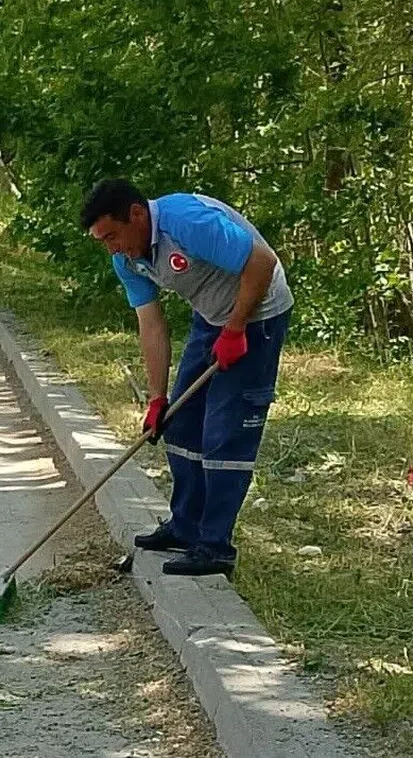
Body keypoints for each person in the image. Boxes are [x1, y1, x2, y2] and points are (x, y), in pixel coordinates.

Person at [80, 179, 293, 577]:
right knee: (180, 423)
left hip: (258, 314)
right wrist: (157, 398)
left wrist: (236, 329)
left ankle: (214, 547)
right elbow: (151, 324)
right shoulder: (127, 259)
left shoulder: (188, 222)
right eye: (102, 241)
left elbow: (262, 262)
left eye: (113, 235)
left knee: (224, 435)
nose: (111, 247)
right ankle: (185, 527)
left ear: (137, 215)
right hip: (212, 317)